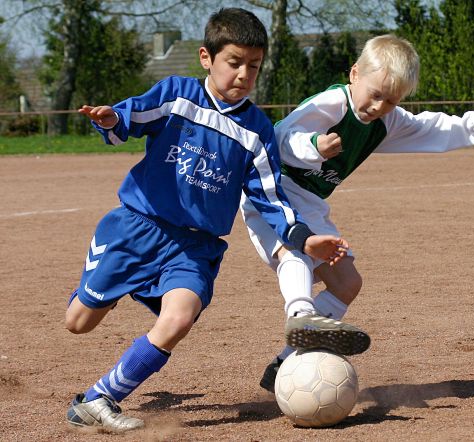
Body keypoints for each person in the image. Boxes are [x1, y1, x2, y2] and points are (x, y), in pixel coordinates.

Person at [64, 8, 357, 433]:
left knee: (180, 317)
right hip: (137, 229)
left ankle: (98, 400)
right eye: (234, 62)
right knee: (79, 323)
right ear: (207, 57)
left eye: (253, 66)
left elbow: (270, 197)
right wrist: (113, 119)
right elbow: (134, 116)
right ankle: (112, 286)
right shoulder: (178, 94)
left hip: (195, 246)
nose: (243, 74)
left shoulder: (257, 130)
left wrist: (305, 239)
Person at [239, 34, 474, 393]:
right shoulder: (332, 103)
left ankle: (285, 361)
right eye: (376, 94)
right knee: (297, 252)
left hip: (310, 205)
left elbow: (431, 127)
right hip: (272, 193)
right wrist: (313, 147)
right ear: (355, 74)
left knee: (347, 284)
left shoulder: (387, 121)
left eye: (391, 101)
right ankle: (301, 316)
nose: (379, 106)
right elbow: (282, 136)